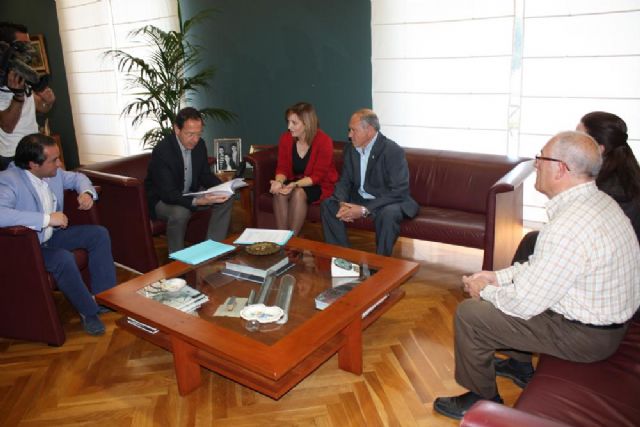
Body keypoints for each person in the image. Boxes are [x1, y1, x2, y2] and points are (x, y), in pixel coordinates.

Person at [433, 131, 640, 420]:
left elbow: (524, 305)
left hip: (588, 337)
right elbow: (543, 267)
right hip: (604, 325)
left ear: (561, 169)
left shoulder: (569, 225)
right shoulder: (596, 202)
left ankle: (482, 399)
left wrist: (484, 290)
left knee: (471, 315)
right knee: (503, 289)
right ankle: (519, 366)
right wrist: (497, 277)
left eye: (541, 157)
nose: (536, 163)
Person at [0, 133, 117, 336]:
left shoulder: (53, 173)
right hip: (25, 246)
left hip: (51, 236)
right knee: (63, 258)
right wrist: (46, 218)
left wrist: (86, 193)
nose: (60, 163)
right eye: (54, 160)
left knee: (98, 234)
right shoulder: (8, 181)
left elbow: (78, 177)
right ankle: (88, 312)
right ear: (33, 165)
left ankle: (105, 296)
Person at [512, 111, 640, 262]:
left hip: (605, 258)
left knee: (532, 243)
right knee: (532, 239)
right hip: (607, 250)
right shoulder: (628, 172)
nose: (573, 141)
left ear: (598, 149)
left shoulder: (603, 189)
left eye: (580, 137)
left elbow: (572, 230)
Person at [321, 108, 418, 256]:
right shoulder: (351, 150)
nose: (349, 135)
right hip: (360, 199)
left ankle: (380, 265)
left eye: (354, 130)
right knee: (329, 205)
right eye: (349, 130)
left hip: (387, 201)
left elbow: (399, 191)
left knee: (388, 214)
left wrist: (363, 210)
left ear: (370, 130)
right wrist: (342, 203)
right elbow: (344, 181)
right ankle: (344, 258)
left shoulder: (392, 151)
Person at [144, 107, 233, 254]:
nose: (195, 139)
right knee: (181, 212)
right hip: (162, 201)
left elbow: (204, 175)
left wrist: (223, 187)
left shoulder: (200, 145)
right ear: (177, 129)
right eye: (190, 134)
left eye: (198, 134)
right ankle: (178, 258)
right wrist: (197, 201)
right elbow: (168, 193)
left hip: (189, 194)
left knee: (226, 199)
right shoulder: (163, 151)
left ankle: (212, 250)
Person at [270, 102, 338, 236]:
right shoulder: (286, 139)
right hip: (295, 181)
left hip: (318, 184)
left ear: (307, 123)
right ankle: (283, 239)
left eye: (294, 123)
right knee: (279, 192)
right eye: (288, 122)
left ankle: (292, 242)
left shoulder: (324, 141)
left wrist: (294, 185)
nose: (289, 127)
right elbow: (282, 168)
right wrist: (279, 181)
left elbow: (317, 176)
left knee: (299, 193)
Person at [0, 22, 56, 170]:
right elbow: (7, 126)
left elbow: (40, 107)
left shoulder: (22, 75)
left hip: (34, 147)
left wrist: (48, 102)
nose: (29, 51)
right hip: (13, 156)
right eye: (23, 45)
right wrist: (18, 96)